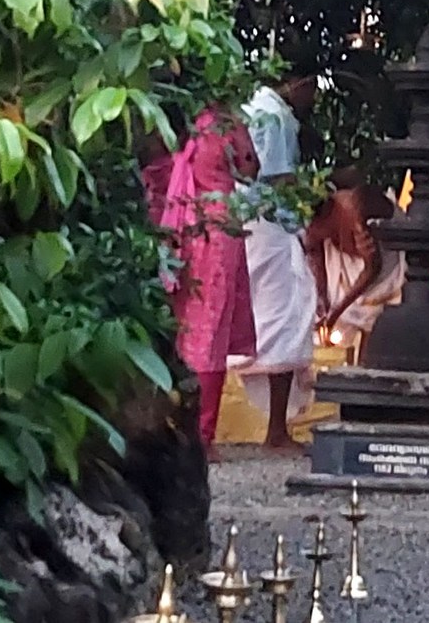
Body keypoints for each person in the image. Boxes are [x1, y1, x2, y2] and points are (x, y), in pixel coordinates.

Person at [142, 104, 259, 460]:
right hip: (216, 232)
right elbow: (250, 170)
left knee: (184, 328)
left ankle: (176, 430)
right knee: (210, 334)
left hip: (178, 227)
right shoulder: (226, 124)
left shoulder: (178, 115)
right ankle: (202, 435)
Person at [232, 74, 324, 451]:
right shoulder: (277, 116)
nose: (314, 98)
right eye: (312, 88)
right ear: (297, 83)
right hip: (272, 227)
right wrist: (303, 217)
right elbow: (281, 180)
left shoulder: (250, 107)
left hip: (244, 221)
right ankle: (275, 431)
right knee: (288, 322)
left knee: (254, 320)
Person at [309, 163, 404, 347]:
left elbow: (373, 268)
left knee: (376, 338)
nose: (307, 233)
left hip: (384, 278)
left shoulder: (357, 213)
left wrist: (336, 312)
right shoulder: (314, 225)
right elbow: (314, 252)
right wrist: (322, 302)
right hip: (344, 287)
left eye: (310, 228)